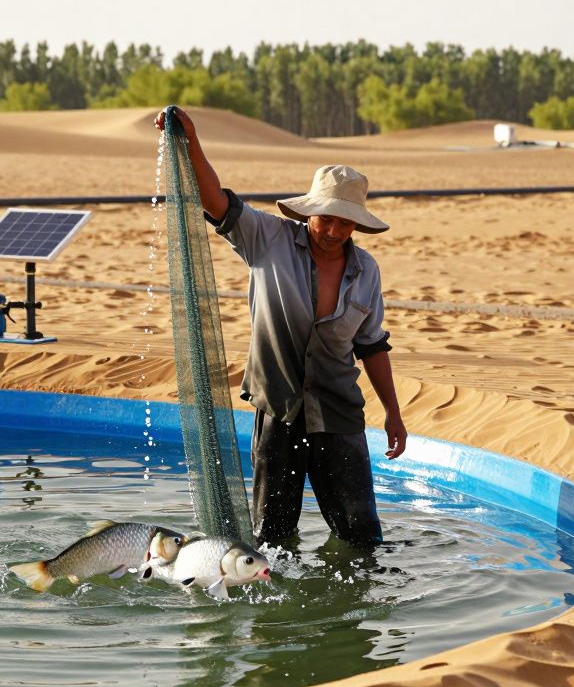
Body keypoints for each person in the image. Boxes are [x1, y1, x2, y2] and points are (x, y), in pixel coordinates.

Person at [155, 107, 405, 549]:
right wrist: (190, 138)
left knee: (362, 535)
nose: (332, 230)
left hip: (339, 415)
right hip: (278, 411)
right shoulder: (266, 238)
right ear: (308, 212)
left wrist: (393, 412)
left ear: (356, 224)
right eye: (325, 218)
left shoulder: (366, 270)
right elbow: (214, 199)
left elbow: (372, 346)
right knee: (271, 537)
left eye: (344, 222)